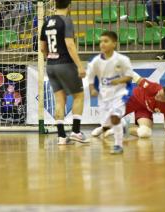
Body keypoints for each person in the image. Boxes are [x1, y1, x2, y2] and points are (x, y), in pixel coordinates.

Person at [40, 0, 86, 145]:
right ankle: (76, 132)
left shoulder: (47, 22)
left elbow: (42, 47)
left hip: (51, 65)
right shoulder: (66, 21)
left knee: (59, 100)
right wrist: (79, 65)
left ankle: (61, 137)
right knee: (79, 96)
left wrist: (50, 57)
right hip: (65, 63)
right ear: (69, 5)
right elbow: (70, 45)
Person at [88, 31, 134, 154]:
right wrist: (92, 89)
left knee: (114, 118)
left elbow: (129, 76)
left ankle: (118, 145)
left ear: (114, 43)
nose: (102, 44)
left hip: (121, 93)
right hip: (104, 95)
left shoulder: (122, 59)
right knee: (107, 123)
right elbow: (90, 77)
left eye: (106, 41)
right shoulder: (96, 61)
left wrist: (119, 80)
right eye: (101, 41)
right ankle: (122, 124)